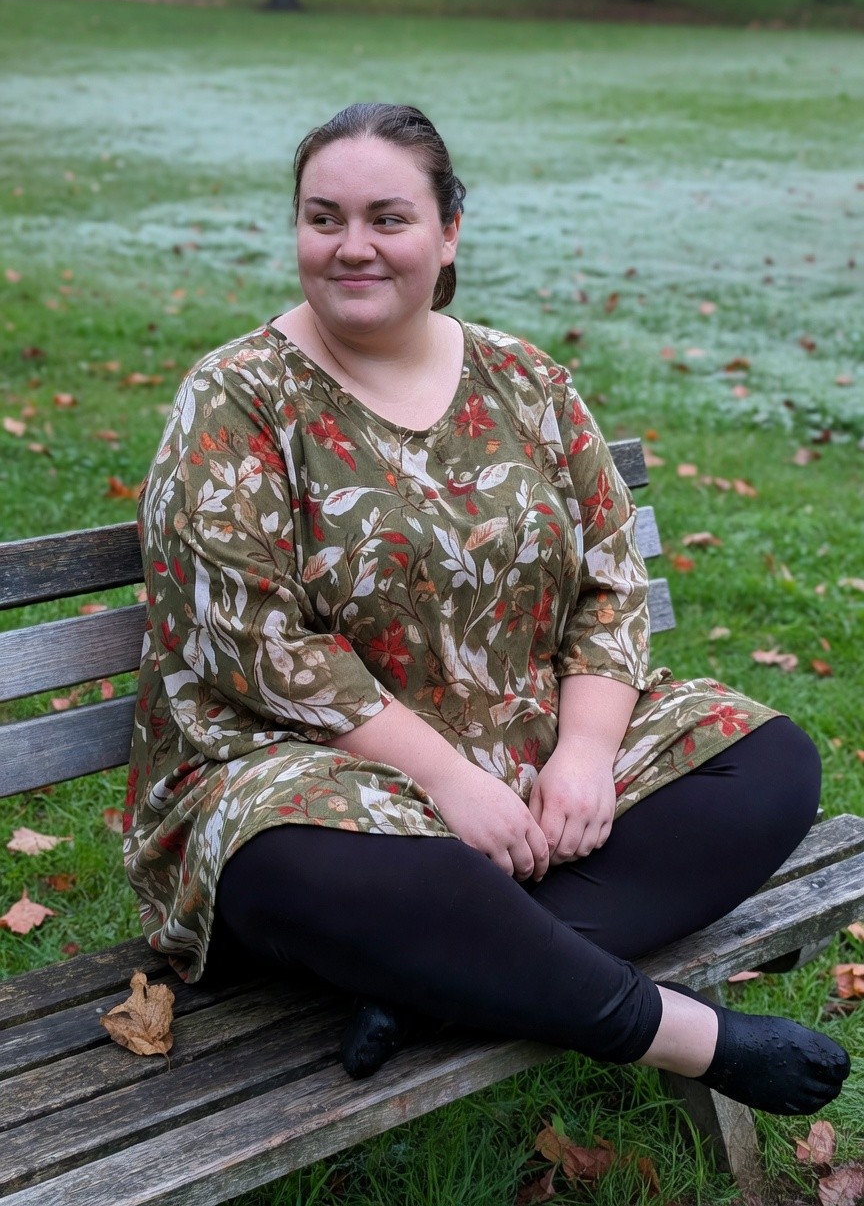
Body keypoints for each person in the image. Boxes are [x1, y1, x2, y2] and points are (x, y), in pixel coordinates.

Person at [125, 102, 849, 1116]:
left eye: (388, 217)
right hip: (305, 776)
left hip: (528, 747)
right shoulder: (237, 397)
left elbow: (609, 579)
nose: (352, 247)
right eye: (323, 218)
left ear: (448, 230)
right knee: (299, 867)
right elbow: (252, 644)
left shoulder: (525, 381)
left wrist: (587, 755)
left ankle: (432, 982)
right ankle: (686, 1035)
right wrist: (450, 783)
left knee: (769, 763)